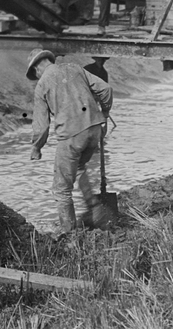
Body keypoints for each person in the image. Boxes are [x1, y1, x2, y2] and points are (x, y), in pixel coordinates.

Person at [26, 48, 113, 233]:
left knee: (61, 188)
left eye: (35, 72)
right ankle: (95, 208)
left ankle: (69, 233)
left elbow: (41, 126)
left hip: (72, 135)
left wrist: (36, 147)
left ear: (36, 68)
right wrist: (104, 113)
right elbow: (106, 89)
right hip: (94, 129)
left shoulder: (42, 84)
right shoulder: (75, 68)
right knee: (79, 167)